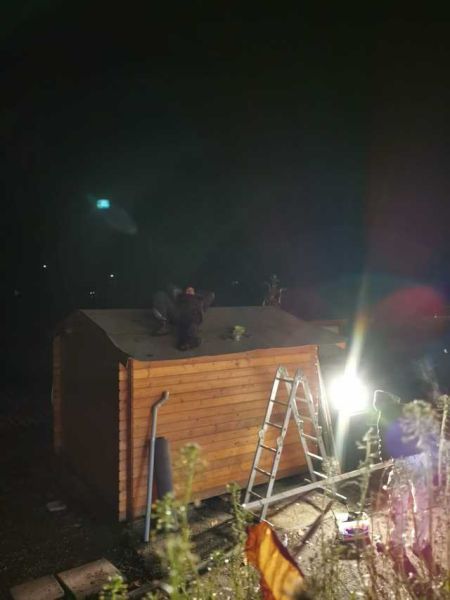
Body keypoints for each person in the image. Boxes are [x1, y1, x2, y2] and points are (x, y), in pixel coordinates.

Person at [374, 392, 439, 577]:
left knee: (399, 506)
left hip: (403, 462)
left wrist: (383, 457)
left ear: (380, 405)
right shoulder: (409, 409)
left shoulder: (384, 414)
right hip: (422, 459)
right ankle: (420, 543)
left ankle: (397, 545)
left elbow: (384, 445)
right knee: (422, 505)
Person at [152, 284, 215, 351]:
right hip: (179, 313)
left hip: (192, 316)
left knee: (191, 317)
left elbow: (210, 295)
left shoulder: (199, 299)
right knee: (160, 295)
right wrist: (182, 294)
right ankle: (163, 326)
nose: (189, 291)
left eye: (191, 290)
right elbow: (169, 288)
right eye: (188, 290)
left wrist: (194, 296)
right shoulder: (179, 296)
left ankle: (188, 340)